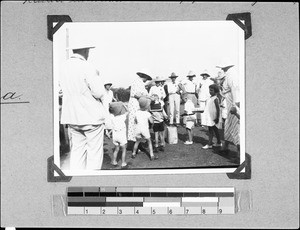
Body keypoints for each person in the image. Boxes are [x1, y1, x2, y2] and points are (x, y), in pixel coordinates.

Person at [60, 42, 106, 170]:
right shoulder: (87, 66)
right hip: (91, 117)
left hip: (72, 116)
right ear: (86, 51)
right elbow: (99, 92)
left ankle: (77, 178)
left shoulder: (63, 67)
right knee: (94, 155)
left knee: (77, 153)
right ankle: (92, 181)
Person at [216, 61, 240, 153]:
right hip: (229, 101)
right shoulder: (228, 75)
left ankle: (239, 152)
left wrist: (234, 105)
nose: (222, 69)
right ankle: (225, 147)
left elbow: (234, 90)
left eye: (224, 67)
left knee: (236, 128)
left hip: (232, 102)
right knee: (228, 126)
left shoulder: (232, 75)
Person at [127, 70, 154, 154]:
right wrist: (147, 97)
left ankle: (137, 144)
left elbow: (144, 94)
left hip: (139, 102)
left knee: (139, 122)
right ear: (144, 76)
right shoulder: (137, 82)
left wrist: (149, 97)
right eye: (147, 78)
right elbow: (137, 94)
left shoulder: (141, 83)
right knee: (135, 122)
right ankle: (135, 145)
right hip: (135, 103)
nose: (147, 80)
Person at [201, 84, 222, 149]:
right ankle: (218, 142)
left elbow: (218, 109)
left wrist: (217, 118)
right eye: (209, 90)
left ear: (215, 91)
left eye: (211, 90)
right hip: (210, 116)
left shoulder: (216, 99)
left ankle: (209, 144)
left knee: (211, 130)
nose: (210, 91)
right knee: (214, 130)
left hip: (214, 117)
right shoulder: (210, 98)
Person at [109, 102, 129, 169]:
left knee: (116, 149)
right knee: (124, 149)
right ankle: (123, 163)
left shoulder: (112, 117)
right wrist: (124, 105)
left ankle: (114, 161)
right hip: (121, 136)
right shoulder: (122, 117)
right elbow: (128, 111)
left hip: (115, 136)